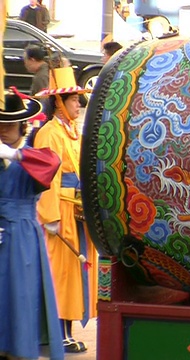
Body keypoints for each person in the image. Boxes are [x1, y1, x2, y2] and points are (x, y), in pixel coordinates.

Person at [34, 66, 98, 354]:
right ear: (59, 102)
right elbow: (47, 177)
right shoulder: (49, 134)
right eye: (74, 100)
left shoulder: (72, 132)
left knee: (74, 273)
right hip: (60, 209)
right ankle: (56, 333)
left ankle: (67, 331)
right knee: (60, 272)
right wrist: (50, 216)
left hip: (77, 208)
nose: (78, 105)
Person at [0, 89, 64, 360]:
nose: (3, 130)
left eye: (9, 124)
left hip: (21, 238)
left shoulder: (31, 154)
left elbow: (51, 164)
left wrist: (14, 156)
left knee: (19, 297)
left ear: (21, 125)